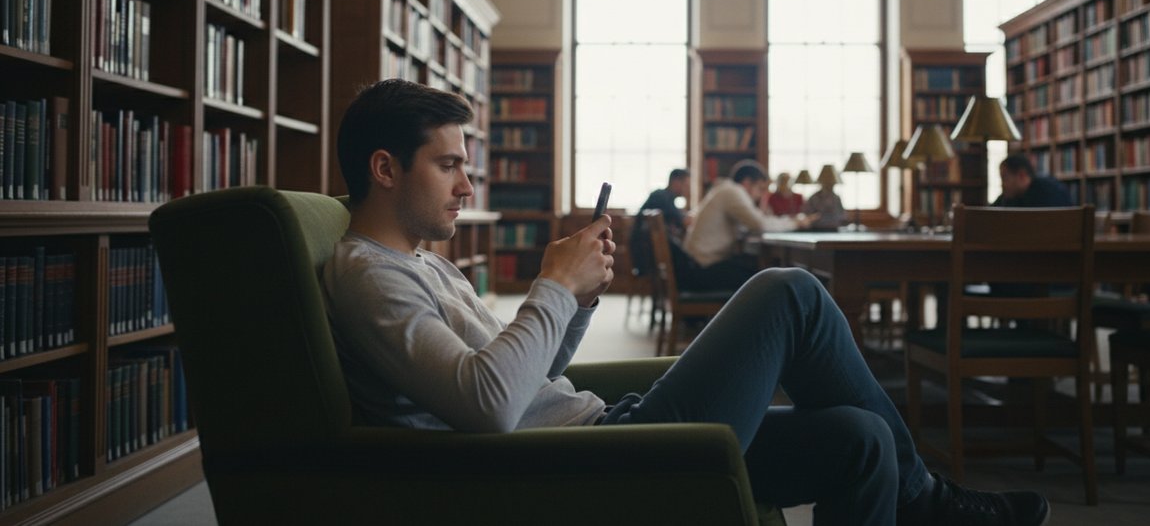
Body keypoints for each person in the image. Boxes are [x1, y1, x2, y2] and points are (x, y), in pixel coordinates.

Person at [321, 79, 1049, 525]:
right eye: (449, 166)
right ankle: (932, 504)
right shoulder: (370, 275)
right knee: (789, 289)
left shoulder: (422, 263)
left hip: (607, 425)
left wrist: (572, 304)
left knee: (859, 436)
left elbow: (522, 379)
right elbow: (485, 405)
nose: (467, 187)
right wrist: (550, 286)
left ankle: (919, 496)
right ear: (386, 168)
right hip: (593, 461)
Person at [683, 160, 814, 290]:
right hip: (703, 270)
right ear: (747, 183)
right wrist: (795, 223)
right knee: (766, 280)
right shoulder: (733, 192)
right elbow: (760, 224)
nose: (761, 195)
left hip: (698, 265)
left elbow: (755, 222)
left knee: (761, 273)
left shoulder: (725, 189)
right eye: (760, 188)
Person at [630, 168, 690, 279]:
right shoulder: (662, 197)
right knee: (688, 261)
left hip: (646, 254)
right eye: (686, 185)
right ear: (676, 182)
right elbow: (684, 221)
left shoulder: (663, 196)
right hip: (646, 257)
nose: (688, 189)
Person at [993, 154, 1070, 207]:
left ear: (1021, 175)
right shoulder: (1010, 195)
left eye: (1005, 178)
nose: (1002, 184)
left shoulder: (1049, 192)